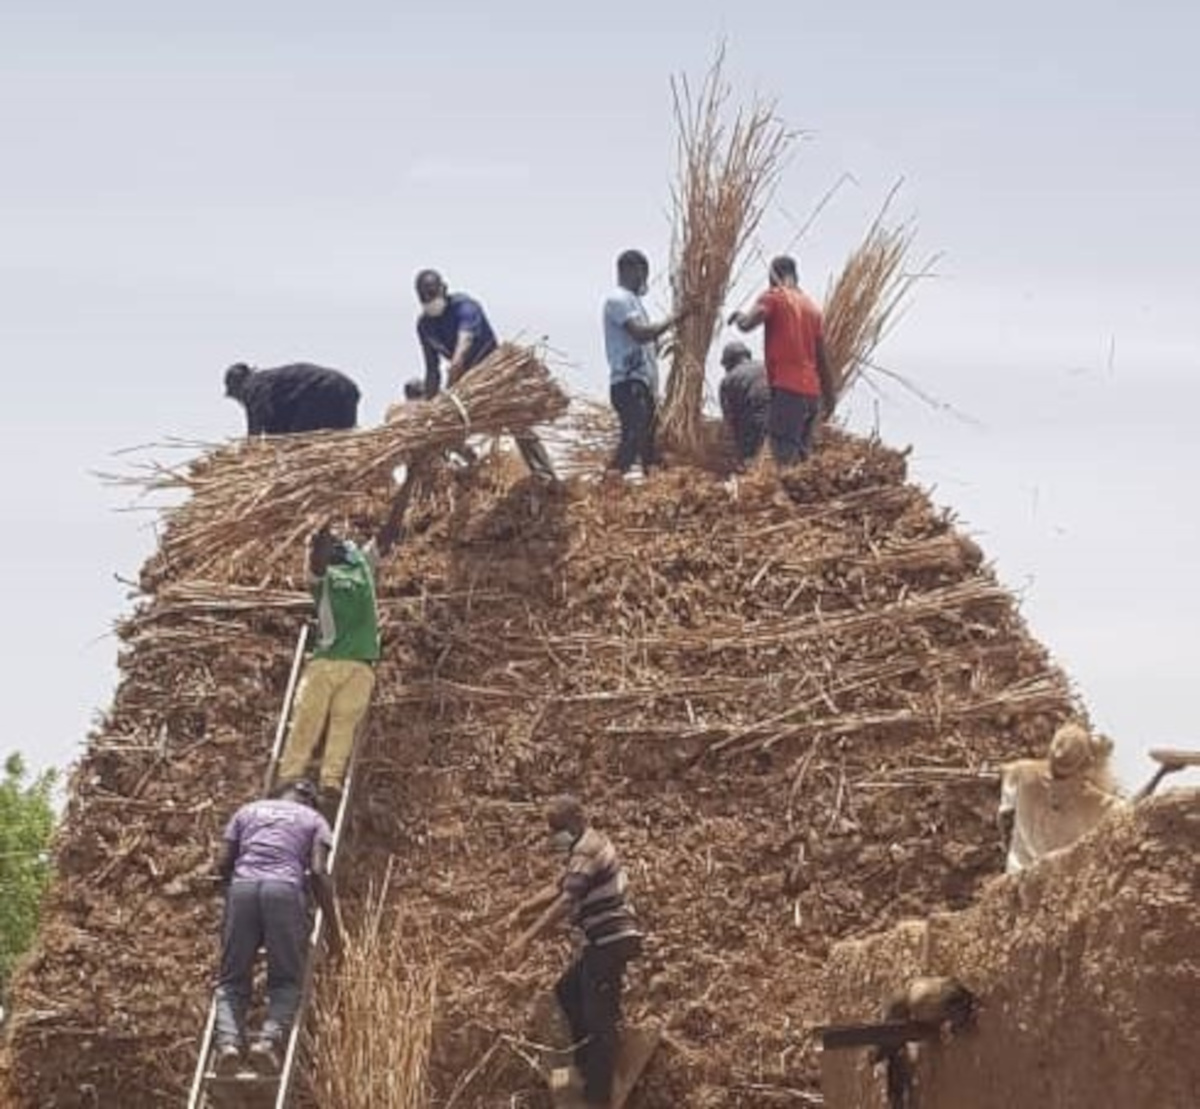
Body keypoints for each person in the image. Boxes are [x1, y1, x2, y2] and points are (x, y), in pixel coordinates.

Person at [277, 492, 409, 811]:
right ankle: (289, 776)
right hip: (326, 661)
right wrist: (319, 530)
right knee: (307, 718)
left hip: (361, 663)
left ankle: (330, 784)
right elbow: (317, 558)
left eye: (337, 538)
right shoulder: (319, 576)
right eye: (328, 540)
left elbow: (390, 531)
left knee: (344, 724)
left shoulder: (361, 563)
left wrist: (410, 483)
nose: (335, 541)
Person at [507, 796, 643, 1108]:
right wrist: (520, 910)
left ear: (576, 821)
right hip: (601, 944)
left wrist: (525, 939)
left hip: (611, 941)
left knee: (599, 1020)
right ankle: (585, 1069)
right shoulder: (581, 850)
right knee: (566, 994)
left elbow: (566, 901)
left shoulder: (588, 849)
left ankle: (598, 1098)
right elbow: (558, 888)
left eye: (557, 828)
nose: (553, 834)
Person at [212, 779, 339, 1076]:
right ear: (309, 801)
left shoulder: (247, 811)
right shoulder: (314, 819)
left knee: (231, 979)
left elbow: (222, 863)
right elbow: (319, 872)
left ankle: (228, 1044)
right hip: (284, 892)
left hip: (243, 890)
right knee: (285, 979)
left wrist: (234, 896)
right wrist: (333, 928)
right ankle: (267, 1043)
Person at [413, 269, 556, 482]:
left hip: (492, 375)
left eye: (432, 294)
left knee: (517, 421)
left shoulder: (465, 307)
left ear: (443, 289)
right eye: (424, 297)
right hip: (463, 382)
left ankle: (545, 476)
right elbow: (432, 370)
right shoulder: (425, 325)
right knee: (443, 429)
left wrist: (450, 390)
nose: (429, 301)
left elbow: (462, 351)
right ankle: (470, 465)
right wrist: (430, 407)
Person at [728, 256, 837, 467]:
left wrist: (739, 318)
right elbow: (822, 360)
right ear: (796, 276)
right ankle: (801, 498)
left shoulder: (774, 297)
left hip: (788, 392)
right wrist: (830, 398)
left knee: (783, 458)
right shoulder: (812, 309)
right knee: (802, 460)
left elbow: (750, 322)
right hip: (811, 396)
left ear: (773, 275)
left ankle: (784, 497)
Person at [997, 722, 1126, 875]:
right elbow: (1132, 812)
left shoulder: (1020, 773)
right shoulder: (1097, 803)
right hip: (1042, 883)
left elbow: (1004, 818)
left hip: (1033, 880)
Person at [602, 250, 686, 479]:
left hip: (642, 386)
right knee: (633, 437)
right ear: (634, 269)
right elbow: (640, 334)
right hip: (629, 384)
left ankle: (655, 491)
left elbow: (647, 345)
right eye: (644, 273)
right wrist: (676, 318)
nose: (645, 280)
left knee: (649, 445)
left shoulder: (636, 304)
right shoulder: (618, 299)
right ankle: (608, 485)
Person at [224, 362, 360, 436]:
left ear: (237, 385)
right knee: (341, 439)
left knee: (299, 444)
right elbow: (276, 428)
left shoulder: (252, 385)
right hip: (348, 388)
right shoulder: (275, 387)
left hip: (321, 389)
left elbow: (256, 430)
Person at [717, 340, 771, 468]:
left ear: (729, 362)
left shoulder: (728, 380)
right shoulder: (766, 366)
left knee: (751, 460)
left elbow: (730, 418)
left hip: (756, 422)